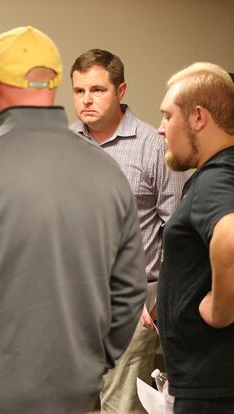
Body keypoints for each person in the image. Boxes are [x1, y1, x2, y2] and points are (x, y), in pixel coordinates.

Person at [0, 26, 147, 414]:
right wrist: (94, 364)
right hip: (76, 395)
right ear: (54, 86)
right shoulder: (108, 173)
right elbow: (131, 290)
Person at [69, 49, 188, 413]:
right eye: (79, 91)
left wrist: (157, 297)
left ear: (121, 91)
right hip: (72, 303)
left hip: (130, 307)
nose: (86, 100)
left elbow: (178, 230)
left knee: (121, 408)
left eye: (97, 90)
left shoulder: (154, 145)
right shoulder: (65, 144)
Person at [157, 62, 234, 414]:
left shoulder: (214, 179)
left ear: (198, 117)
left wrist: (219, 309)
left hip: (210, 390)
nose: (160, 129)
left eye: (167, 116)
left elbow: (231, 237)